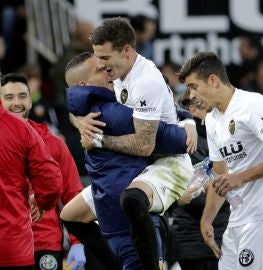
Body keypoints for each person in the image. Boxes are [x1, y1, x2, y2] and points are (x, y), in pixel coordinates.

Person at [73, 17, 195, 270]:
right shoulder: (118, 73)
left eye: (105, 57)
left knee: (132, 200)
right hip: (138, 163)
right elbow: (79, 97)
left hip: (167, 163)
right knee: (72, 216)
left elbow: (144, 145)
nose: (101, 64)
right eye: (98, 58)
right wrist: (80, 123)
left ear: (126, 51)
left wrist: (98, 140)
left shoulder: (145, 80)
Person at [178, 51, 263, 270]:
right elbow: (219, 172)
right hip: (237, 220)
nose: (191, 94)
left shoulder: (252, 104)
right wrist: (207, 219)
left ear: (213, 80)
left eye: (194, 86)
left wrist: (240, 177)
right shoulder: (213, 119)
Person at [0, 72, 86, 270]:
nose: (16, 103)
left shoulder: (54, 144)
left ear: (31, 101)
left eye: (22, 96)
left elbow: (72, 194)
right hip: (12, 243)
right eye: (9, 97)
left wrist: (77, 240)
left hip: (44, 244)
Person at [170, 95, 230, 270]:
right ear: (192, 110)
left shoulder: (218, 139)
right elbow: (193, 195)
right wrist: (231, 187)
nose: (216, 115)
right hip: (196, 241)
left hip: (218, 234)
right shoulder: (188, 144)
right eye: (210, 110)